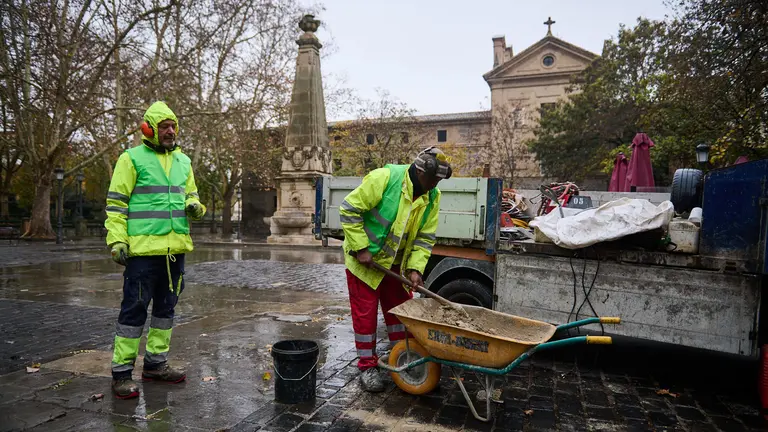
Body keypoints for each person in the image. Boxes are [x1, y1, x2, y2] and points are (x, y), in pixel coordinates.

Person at [104, 101, 206, 399]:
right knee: (134, 310)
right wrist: (117, 240)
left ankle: (155, 364)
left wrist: (196, 207)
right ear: (148, 129)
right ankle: (122, 372)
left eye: (173, 125)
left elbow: (194, 197)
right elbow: (116, 205)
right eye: (164, 126)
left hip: (174, 253)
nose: (170, 131)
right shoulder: (131, 159)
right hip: (142, 253)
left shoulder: (184, 162)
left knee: (165, 310)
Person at [339, 147, 452, 392]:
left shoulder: (433, 196)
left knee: (401, 314)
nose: (434, 185)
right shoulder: (385, 178)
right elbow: (348, 209)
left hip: (396, 266)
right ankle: (367, 366)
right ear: (420, 170)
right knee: (365, 317)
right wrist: (360, 248)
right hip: (365, 264)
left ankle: (403, 356)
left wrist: (414, 269)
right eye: (432, 179)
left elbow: (424, 237)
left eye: (439, 180)